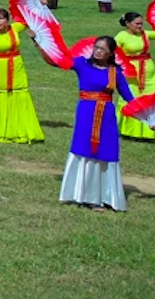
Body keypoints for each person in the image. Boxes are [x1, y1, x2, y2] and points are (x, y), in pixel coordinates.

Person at [60, 36, 134, 212]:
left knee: (106, 150)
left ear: (110, 53)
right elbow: (56, 60)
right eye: (96, 47)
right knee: (84, 149)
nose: (98, 51)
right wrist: (37, 41)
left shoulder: (115, 73)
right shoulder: (81, 64)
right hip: (86, 113)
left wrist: (149, 119)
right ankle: (86, 196)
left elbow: (129, 99)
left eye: (102, 49)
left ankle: (107, 196)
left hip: (106, 116)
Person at [0, 9, 45, 144]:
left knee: (21, 93)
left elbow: (30, 18)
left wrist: (40, 5)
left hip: (17, 66)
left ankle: (25, 129)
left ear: (7, 20)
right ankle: (3, 130)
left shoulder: (14, 28)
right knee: (3, 96)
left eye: (1, 18)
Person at [115, 12, 154, 141]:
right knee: (132, 99)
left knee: (151, 99)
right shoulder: (121, 36)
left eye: (141, 24)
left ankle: (150, 131)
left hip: (149, 74)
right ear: (127, 24)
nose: (140, 26)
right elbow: (111, 50)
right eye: (137, 24)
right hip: (131, 74)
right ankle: (129, 131)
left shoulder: (145, 34)